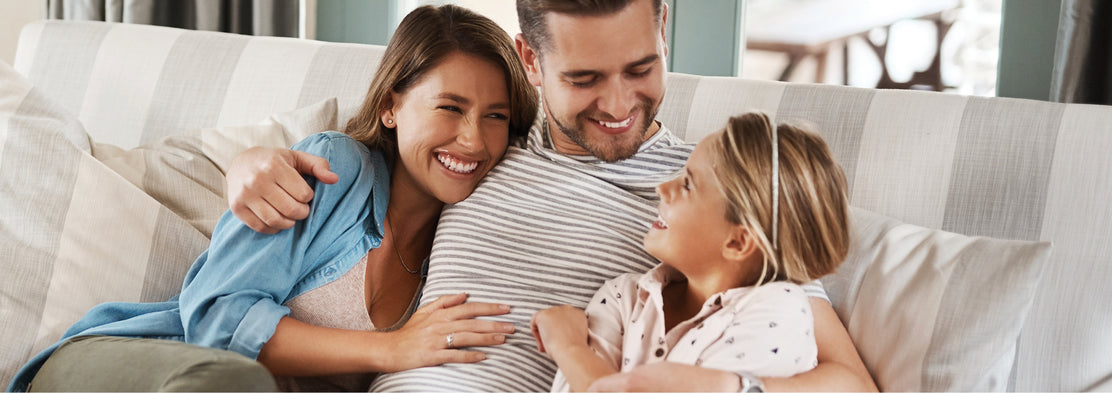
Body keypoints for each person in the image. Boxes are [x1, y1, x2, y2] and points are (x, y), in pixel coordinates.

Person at [223, 0, 879, 391]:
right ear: (531, 63)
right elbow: (369, 159)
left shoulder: (710, 194)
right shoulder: (478, 151)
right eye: (586, 78)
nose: (620, 103)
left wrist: (716, 386)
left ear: (663, 31)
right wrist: (245, 165)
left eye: (641, 69)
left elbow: (846, 379)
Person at [7, 4, 539, 392]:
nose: (473, 139)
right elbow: (215, 320)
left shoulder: (466, 246)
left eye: (496, 116)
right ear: (390, 107)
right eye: (449, 107)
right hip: (142, 365)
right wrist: (392, 349)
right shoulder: (336, 170)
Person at [531, 112, 851, 392]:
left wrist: (569, 346)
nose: (662, 189)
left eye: (687, 185)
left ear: (737, 243)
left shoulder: (778, 311)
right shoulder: (623, 297)